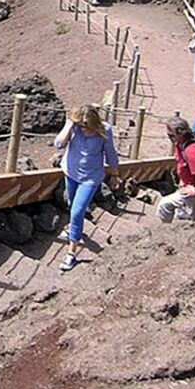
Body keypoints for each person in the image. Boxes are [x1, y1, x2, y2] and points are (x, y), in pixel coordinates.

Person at [53, 105, 120, 272]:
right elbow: (59, 144)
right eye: (81, 125)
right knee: (71, 204)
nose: (83, 129)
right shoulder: (74, 127)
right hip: (71, 172)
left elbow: (110, 154)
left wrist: (114, 175)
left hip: (90, 177)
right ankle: (73, 230)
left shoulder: (104, 130)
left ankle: (71, 253)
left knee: (77, 210)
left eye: (86, 126)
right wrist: (69, 125)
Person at [157, 116, 195, 225]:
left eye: (171, 135)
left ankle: (164, 232)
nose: (169, 137)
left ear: (181, 133)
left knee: (164, 205)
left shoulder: (191, 150)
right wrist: (183, 181)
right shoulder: (181, 144)